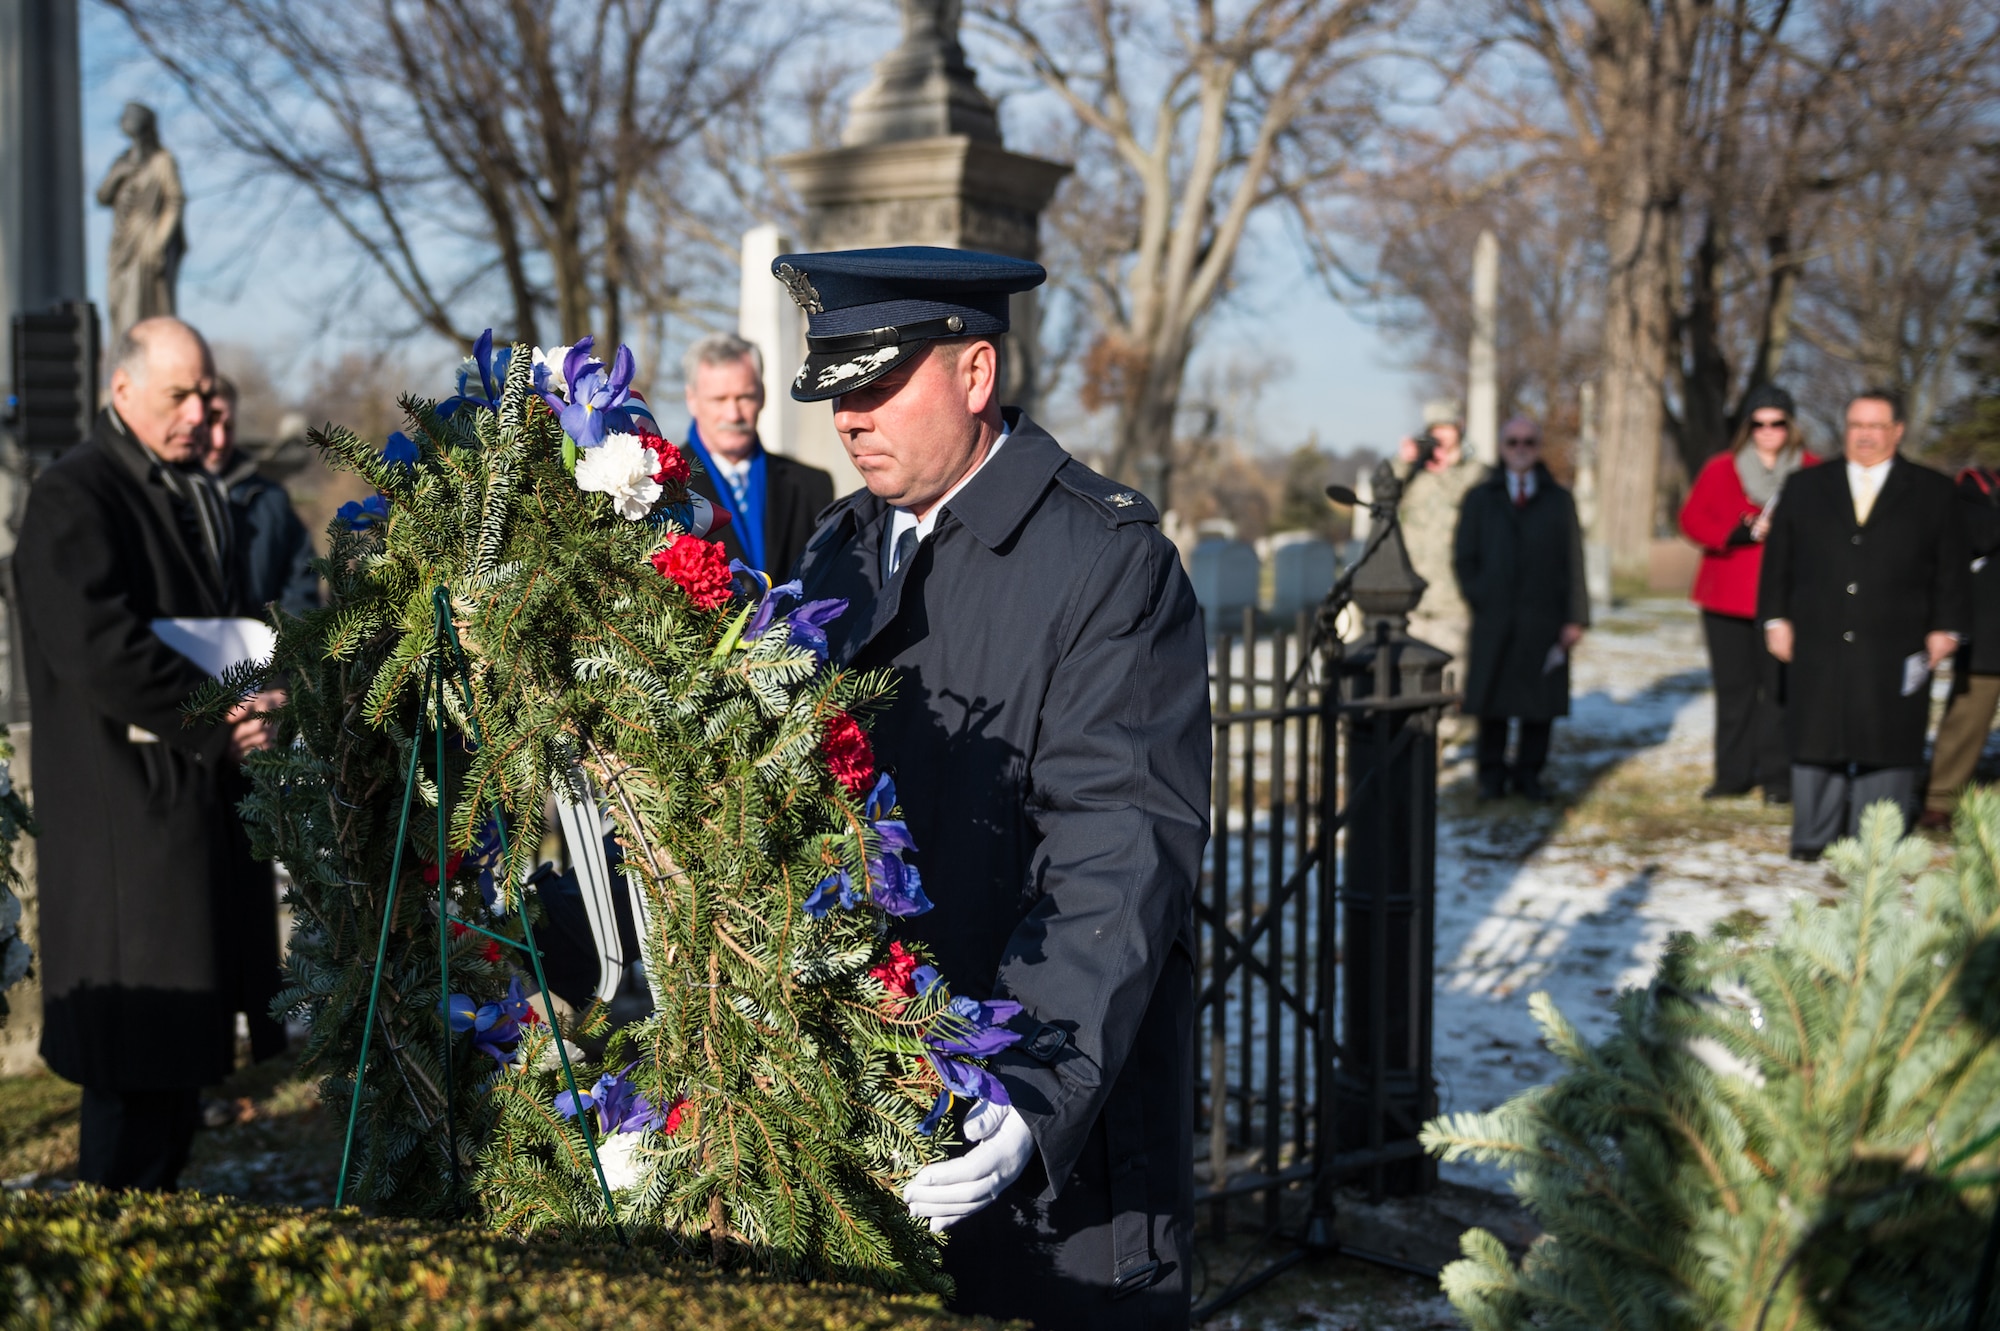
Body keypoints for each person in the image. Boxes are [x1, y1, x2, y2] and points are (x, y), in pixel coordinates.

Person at [781, 246, 1209, 1328]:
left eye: (877, 385)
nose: (849, 419)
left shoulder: (1103, 560)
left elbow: (1118, 844)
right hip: (868, 1092)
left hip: (1046, 1134)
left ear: (974, 375)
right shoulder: (841, 548)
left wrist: (1029, 1077)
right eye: (837, 392)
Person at [13, 317, 287, 1190]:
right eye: (179, 393)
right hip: (122, 833)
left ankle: (153, 1249)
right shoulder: (73, 494)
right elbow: (100, 646)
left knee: (171, 1083)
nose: (199, 409)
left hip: (177, 816)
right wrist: (218, 716)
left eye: (205, 391)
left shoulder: (170, 486)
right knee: (131, 1086)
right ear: (121, 390)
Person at [1758, 387, 1971, 860]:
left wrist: (1946, 627)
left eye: (1877, 426)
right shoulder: (1806, 485)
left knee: (1887, 737)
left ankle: (1876, 844)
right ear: (1845, 429)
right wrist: (1775, 619)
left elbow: (1951, 567)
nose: (1866, 436)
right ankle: (1814, 837)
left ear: (1897, 430)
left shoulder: (1934, 491)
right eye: (1857, 426)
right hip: (1817, 632)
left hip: (1897, 635)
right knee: (1817, 732)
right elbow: (1779, 562)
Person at [1678, 383, 1818, 803]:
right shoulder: (1721, 468)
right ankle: (1732, 775)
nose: (1768, 431)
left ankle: (1778, 779)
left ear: (1790, 425)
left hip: (1786, 601)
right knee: (1735, 691)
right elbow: (1691, 520)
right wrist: (1739, 532)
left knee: (1779, 690)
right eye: (1758, 423)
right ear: (1748, 427)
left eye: (1777, 422)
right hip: (1726, 599)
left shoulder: (1811, 469)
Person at [1454, 415, 1589, 802]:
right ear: (1501, 447)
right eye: (1512, 442)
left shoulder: (1559, 499)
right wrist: (1480, 595)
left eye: (1528, 442)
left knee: (1538, 703)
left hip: (1543, 615)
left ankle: (1530, 775)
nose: (1520, 449)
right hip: (1494, 616)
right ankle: (1491, 776)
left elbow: (1573, 560)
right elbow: (1464, 557)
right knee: (1493, 698)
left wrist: (1575, 617)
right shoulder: (1481, 498)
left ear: (1538, 447)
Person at [680, 331, 834, 579]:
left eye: (745, 397)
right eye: (719, 400)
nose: (733, 414)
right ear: (692, 400)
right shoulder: (660, 488)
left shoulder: (812, 487)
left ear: (763, 395)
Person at [1918, 467, 2000, 828]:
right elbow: (1978, 536)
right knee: (1968, 718)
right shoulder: (1977, 488)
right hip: (1990, 628)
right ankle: (1940, 799)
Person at [204, 376, 319, 614]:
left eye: (228, 426)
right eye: (210, 423)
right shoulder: (163, 497)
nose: (220, 440)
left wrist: (286, 642)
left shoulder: (272, 499)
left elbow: (301, 581)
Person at [1395, 399, 1480, 668]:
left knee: (1451, 684)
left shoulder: (1474, 471)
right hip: (1415, 601)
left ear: (1459, 428)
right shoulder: (1416, 475)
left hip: (1454, 602)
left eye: (1447, 427)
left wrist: (1445, 469)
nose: (1440, 435)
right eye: (1434, 428)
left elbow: (1467, 498)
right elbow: (1384, 498)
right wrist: (1404, 462)